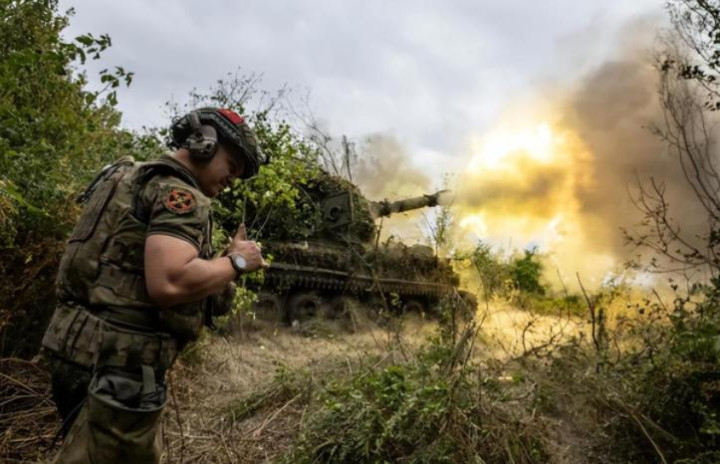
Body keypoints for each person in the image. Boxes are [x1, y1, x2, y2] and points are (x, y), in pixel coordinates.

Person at [40, 107, 269, 463]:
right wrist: (237, 262)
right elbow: (170, 283)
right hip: (121, 364)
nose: (232, 179)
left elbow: (121, 268)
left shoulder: (127, 177)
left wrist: (220, 264)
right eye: (232, 165)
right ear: (205, 143)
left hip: (75, 348)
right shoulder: (179, 195)